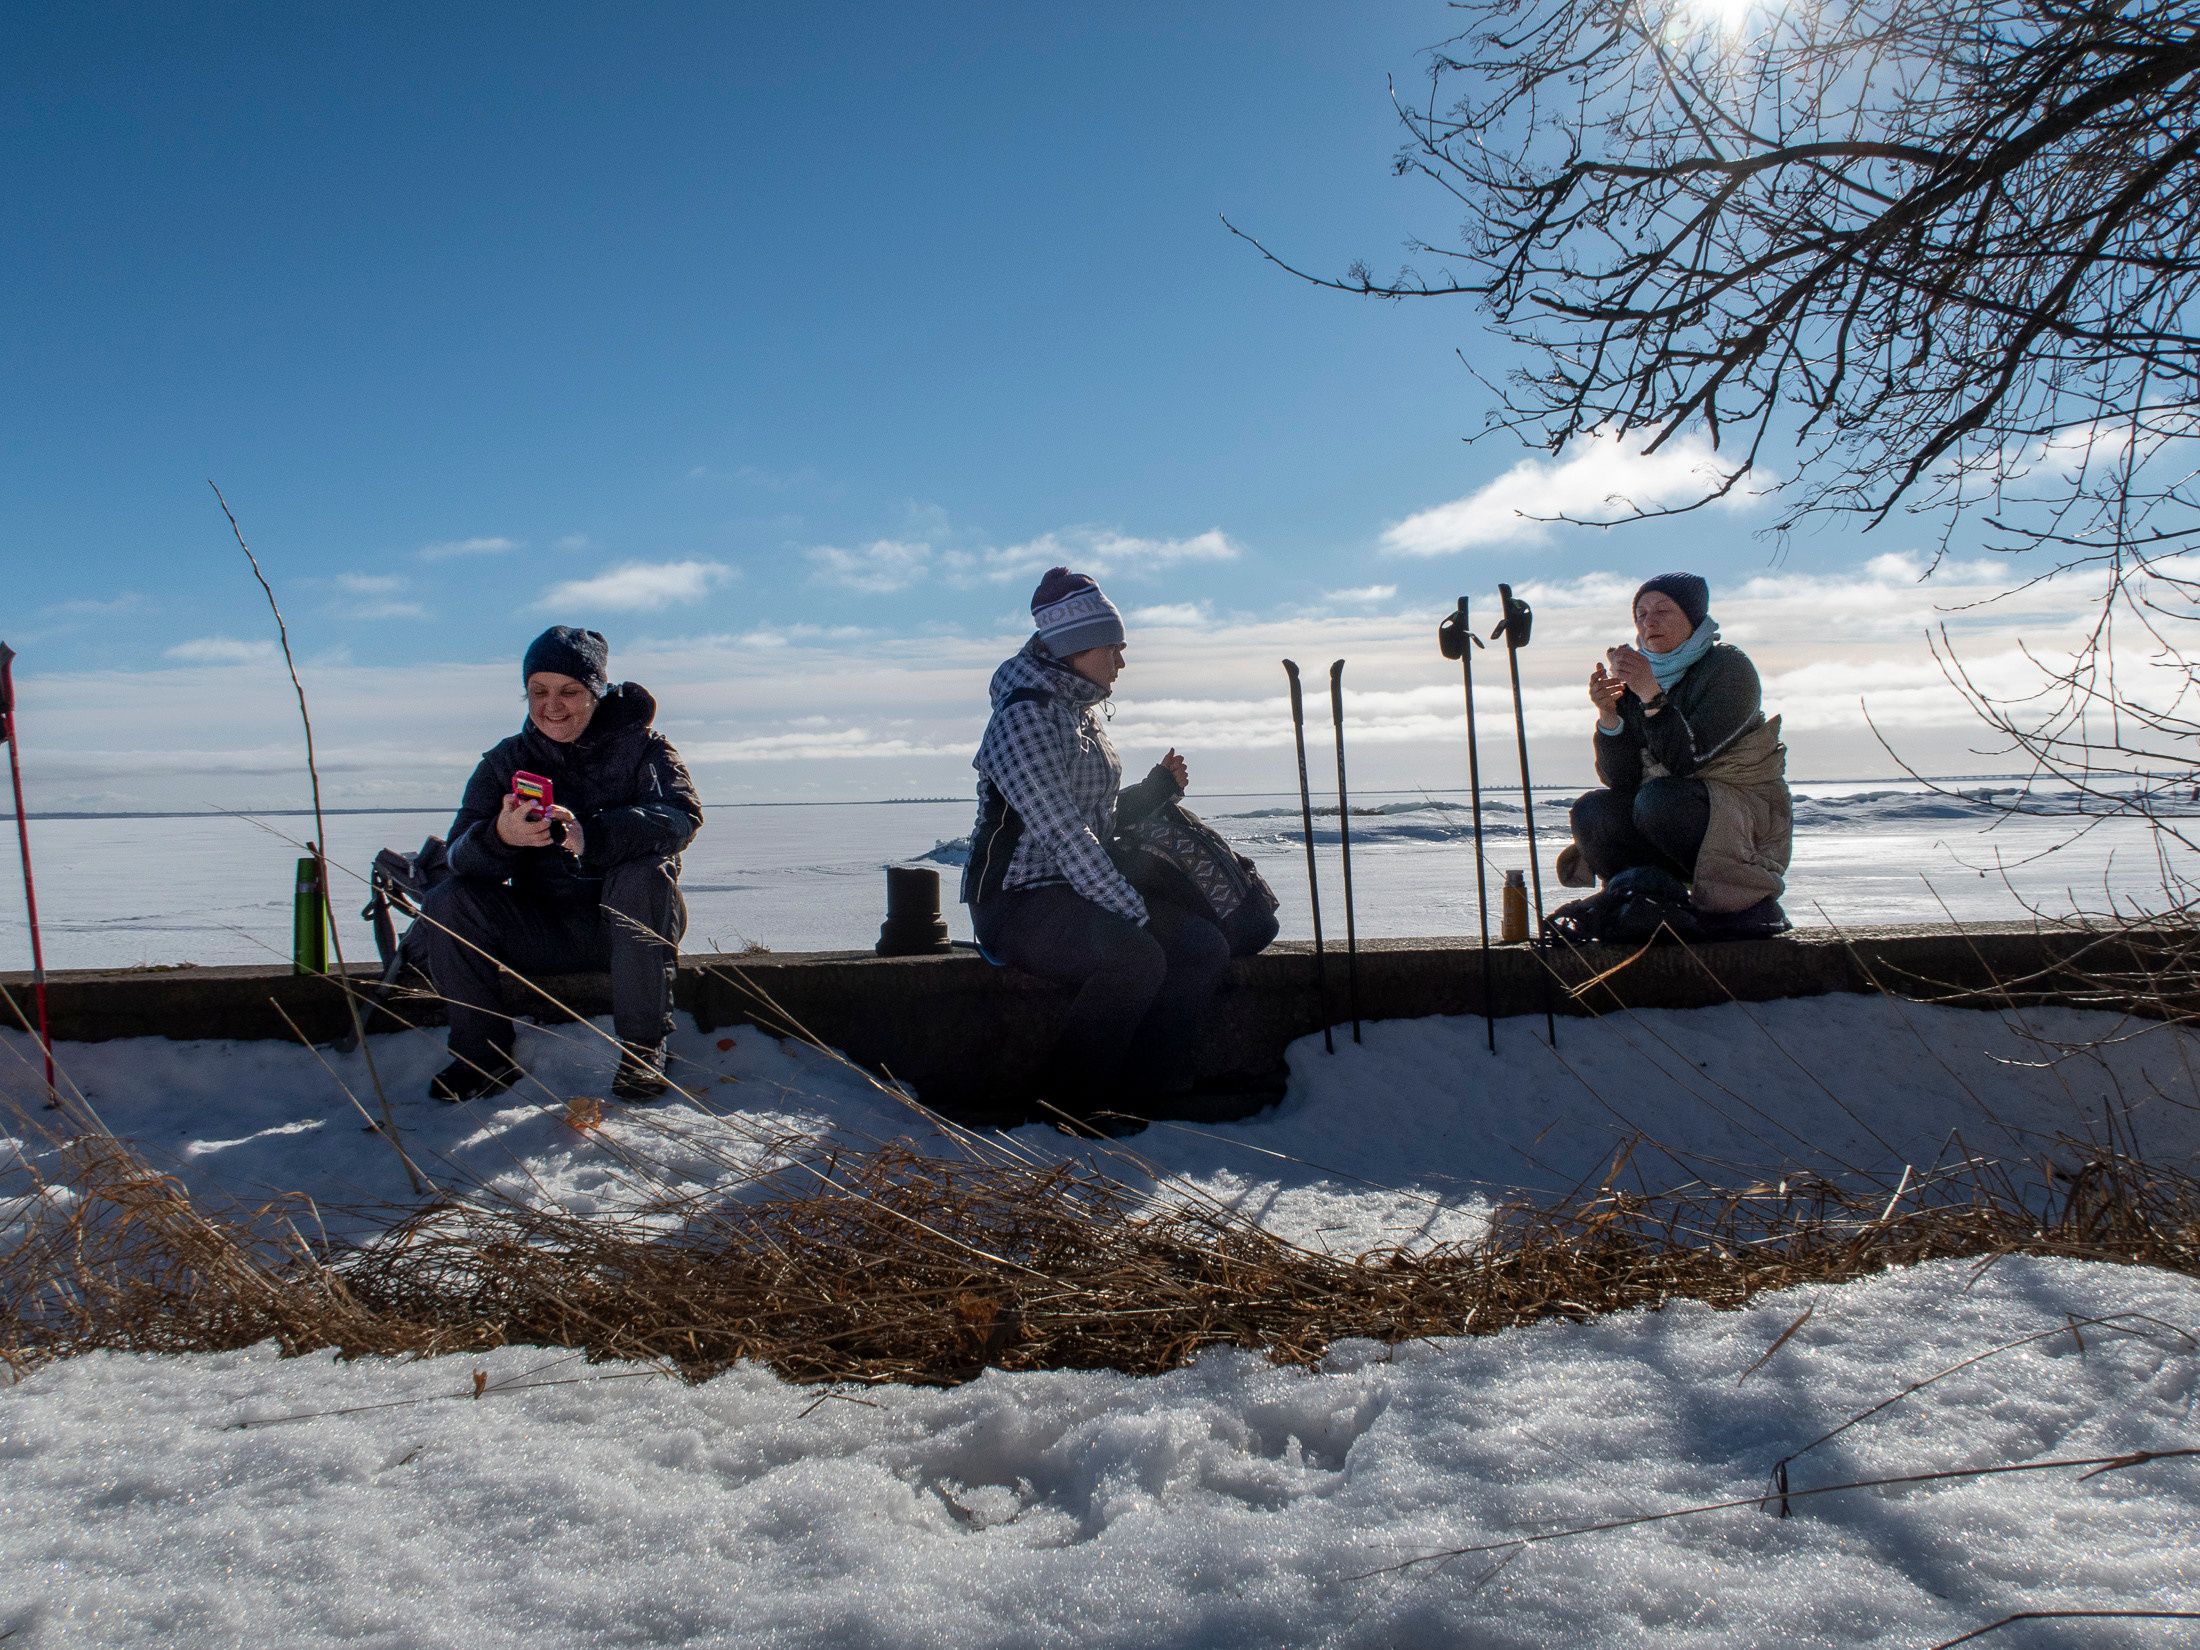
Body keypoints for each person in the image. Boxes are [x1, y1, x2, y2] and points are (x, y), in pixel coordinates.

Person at [962, 568, 1245, 1127]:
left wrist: (1153, 792)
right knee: (1133, 957)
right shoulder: (1024, 719)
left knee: (1201, 947)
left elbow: (1098, 818)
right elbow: (1063, 832)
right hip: (1016, 900)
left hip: (1077, 889)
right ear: (1075, 647)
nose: (1121, 662)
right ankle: (1068, 1111)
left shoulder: (1079, 711)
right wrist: (1133, 911)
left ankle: (1141, 1099)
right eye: (1112, 648)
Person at [418, 626, 703, 1103]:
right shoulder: (505, 760)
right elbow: (457, 857)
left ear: (596, 692)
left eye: (569, 692)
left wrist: (593, 835)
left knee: (644, 874)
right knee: (449, 899)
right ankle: (482, 1055)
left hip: (629, 926)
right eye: (538, 691)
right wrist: (501, 837)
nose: (552, 706)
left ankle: (643, 1050)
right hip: (541, 929)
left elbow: (681, 817)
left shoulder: (646, 748)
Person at [1559, 572, 1793, 922]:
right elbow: (1621, 780)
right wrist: (1610, 715)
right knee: (1592, 811)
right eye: (1640, 614)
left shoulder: (1729, 668)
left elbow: (1689, 759)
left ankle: (1735, 902)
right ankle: (1640, 897)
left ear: (1693, 618)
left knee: (1659, 800)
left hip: (1738, 815)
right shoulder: (1636, 677)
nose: (1649, 622)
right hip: (1661, 813)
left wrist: (1650, 695)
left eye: (1663, 610)